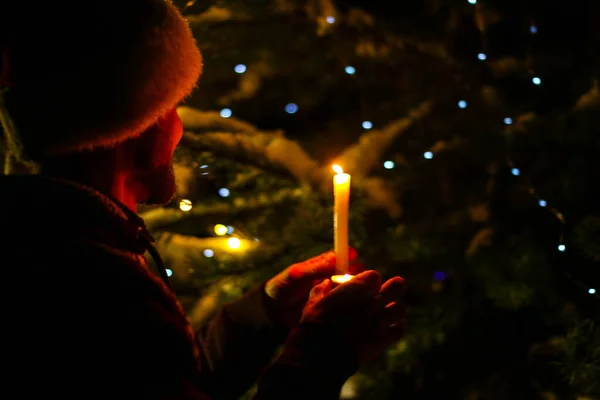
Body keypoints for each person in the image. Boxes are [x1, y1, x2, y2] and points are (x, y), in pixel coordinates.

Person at [0, 1, 406, 399]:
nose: (178, 127)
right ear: (137, 124)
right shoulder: (91, 282)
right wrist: (321, 354)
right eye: (171, 107)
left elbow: (160, 378)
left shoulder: (53, 236)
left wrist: (262, 315)